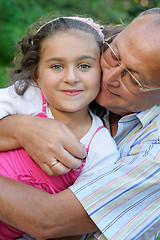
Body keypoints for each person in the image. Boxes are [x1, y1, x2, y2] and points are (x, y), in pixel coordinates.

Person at [0, 7, 160, 240]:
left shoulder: (151, 154)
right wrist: (19, 129)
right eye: (114, 55)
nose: (111, 78)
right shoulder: (69, 88)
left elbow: (51, 222)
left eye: (133, 79)